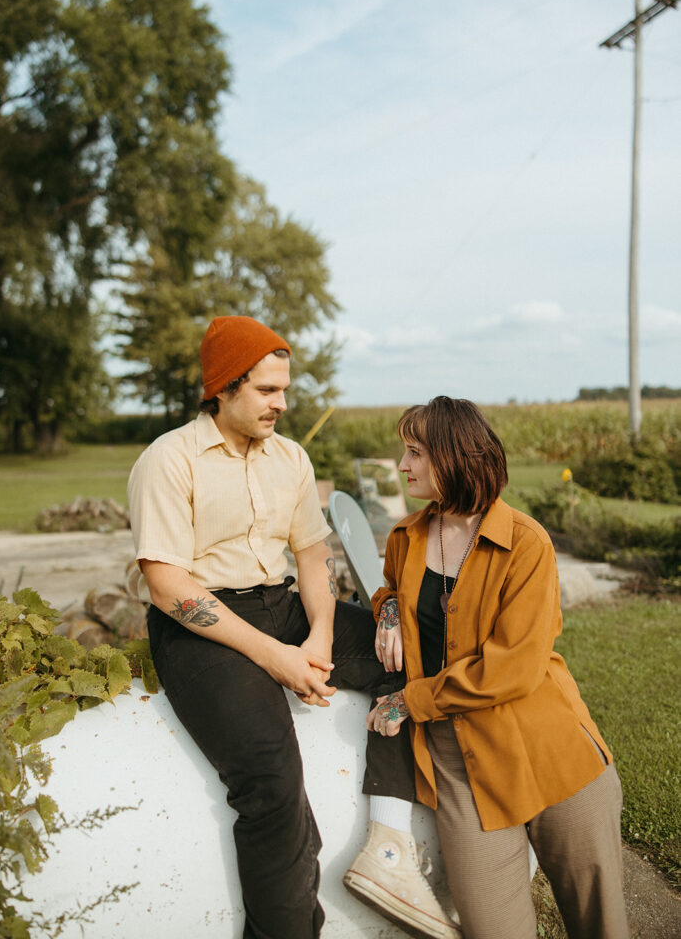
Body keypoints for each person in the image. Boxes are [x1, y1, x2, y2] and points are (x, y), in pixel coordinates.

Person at [127, 316, 458, 939]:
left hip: (285, 607)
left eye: (284, 390)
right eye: (267, 391)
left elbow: (313, 558)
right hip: (201, 627)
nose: (282, 404)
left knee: (424, 653)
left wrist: (320, 639)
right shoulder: (168, 460)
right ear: (224, 387)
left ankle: (388, 848)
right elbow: (168, 586)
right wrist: (276, 659)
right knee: (272, 788)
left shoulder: (291, 457)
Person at [366, 396, 630, 939]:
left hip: (553, 758)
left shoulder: (527, 544)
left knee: (601, 926)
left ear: (454, 458)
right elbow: (390, 587)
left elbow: (513, 669)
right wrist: (387, 609)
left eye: (415, 452)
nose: (403, 465)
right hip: (462, 771)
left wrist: (408, 700)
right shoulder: (405, 537)